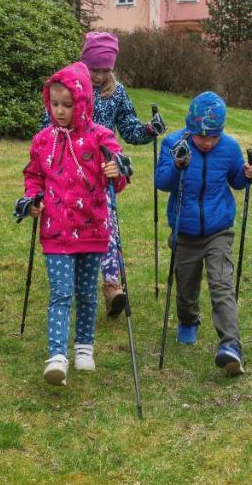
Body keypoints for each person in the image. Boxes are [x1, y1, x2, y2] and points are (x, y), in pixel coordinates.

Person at [40, 31, 164, 316]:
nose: (98, 76)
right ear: (85, 62)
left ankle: (112, 286)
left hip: (103, 174)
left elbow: (129, 127)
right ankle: (71, 278)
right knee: (71, 228)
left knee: (108, 230)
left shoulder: (116, 92)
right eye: (94, 69)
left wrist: (148, 130)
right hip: (69, 173)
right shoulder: (69, 88)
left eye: (105, 70)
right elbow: (47, 125)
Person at [22, 62, 129, 385]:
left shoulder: (101, 138)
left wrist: (116, 172)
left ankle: (84, 346)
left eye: (67, 105)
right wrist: (33, 199)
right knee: (61, 293)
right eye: (54, 104)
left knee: (86, 292)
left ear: (83, 103)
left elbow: (120, 175)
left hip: (93, 230)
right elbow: (34, 175)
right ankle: (57, 355)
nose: (60, 111)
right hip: (56, 232)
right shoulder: (44, 140)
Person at [155, 91, 252, 375]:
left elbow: (236, 180)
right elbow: (162, 182)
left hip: (217, 230)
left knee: (221, 284)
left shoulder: (229, 147)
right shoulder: (174, 144)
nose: (207, 142)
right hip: (185, 231)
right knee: (186, 287)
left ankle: (231, 346)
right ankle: (188, 321)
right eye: (201, 136)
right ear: (190, 128)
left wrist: (246, 175)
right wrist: (178, 165)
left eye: (213, 136)